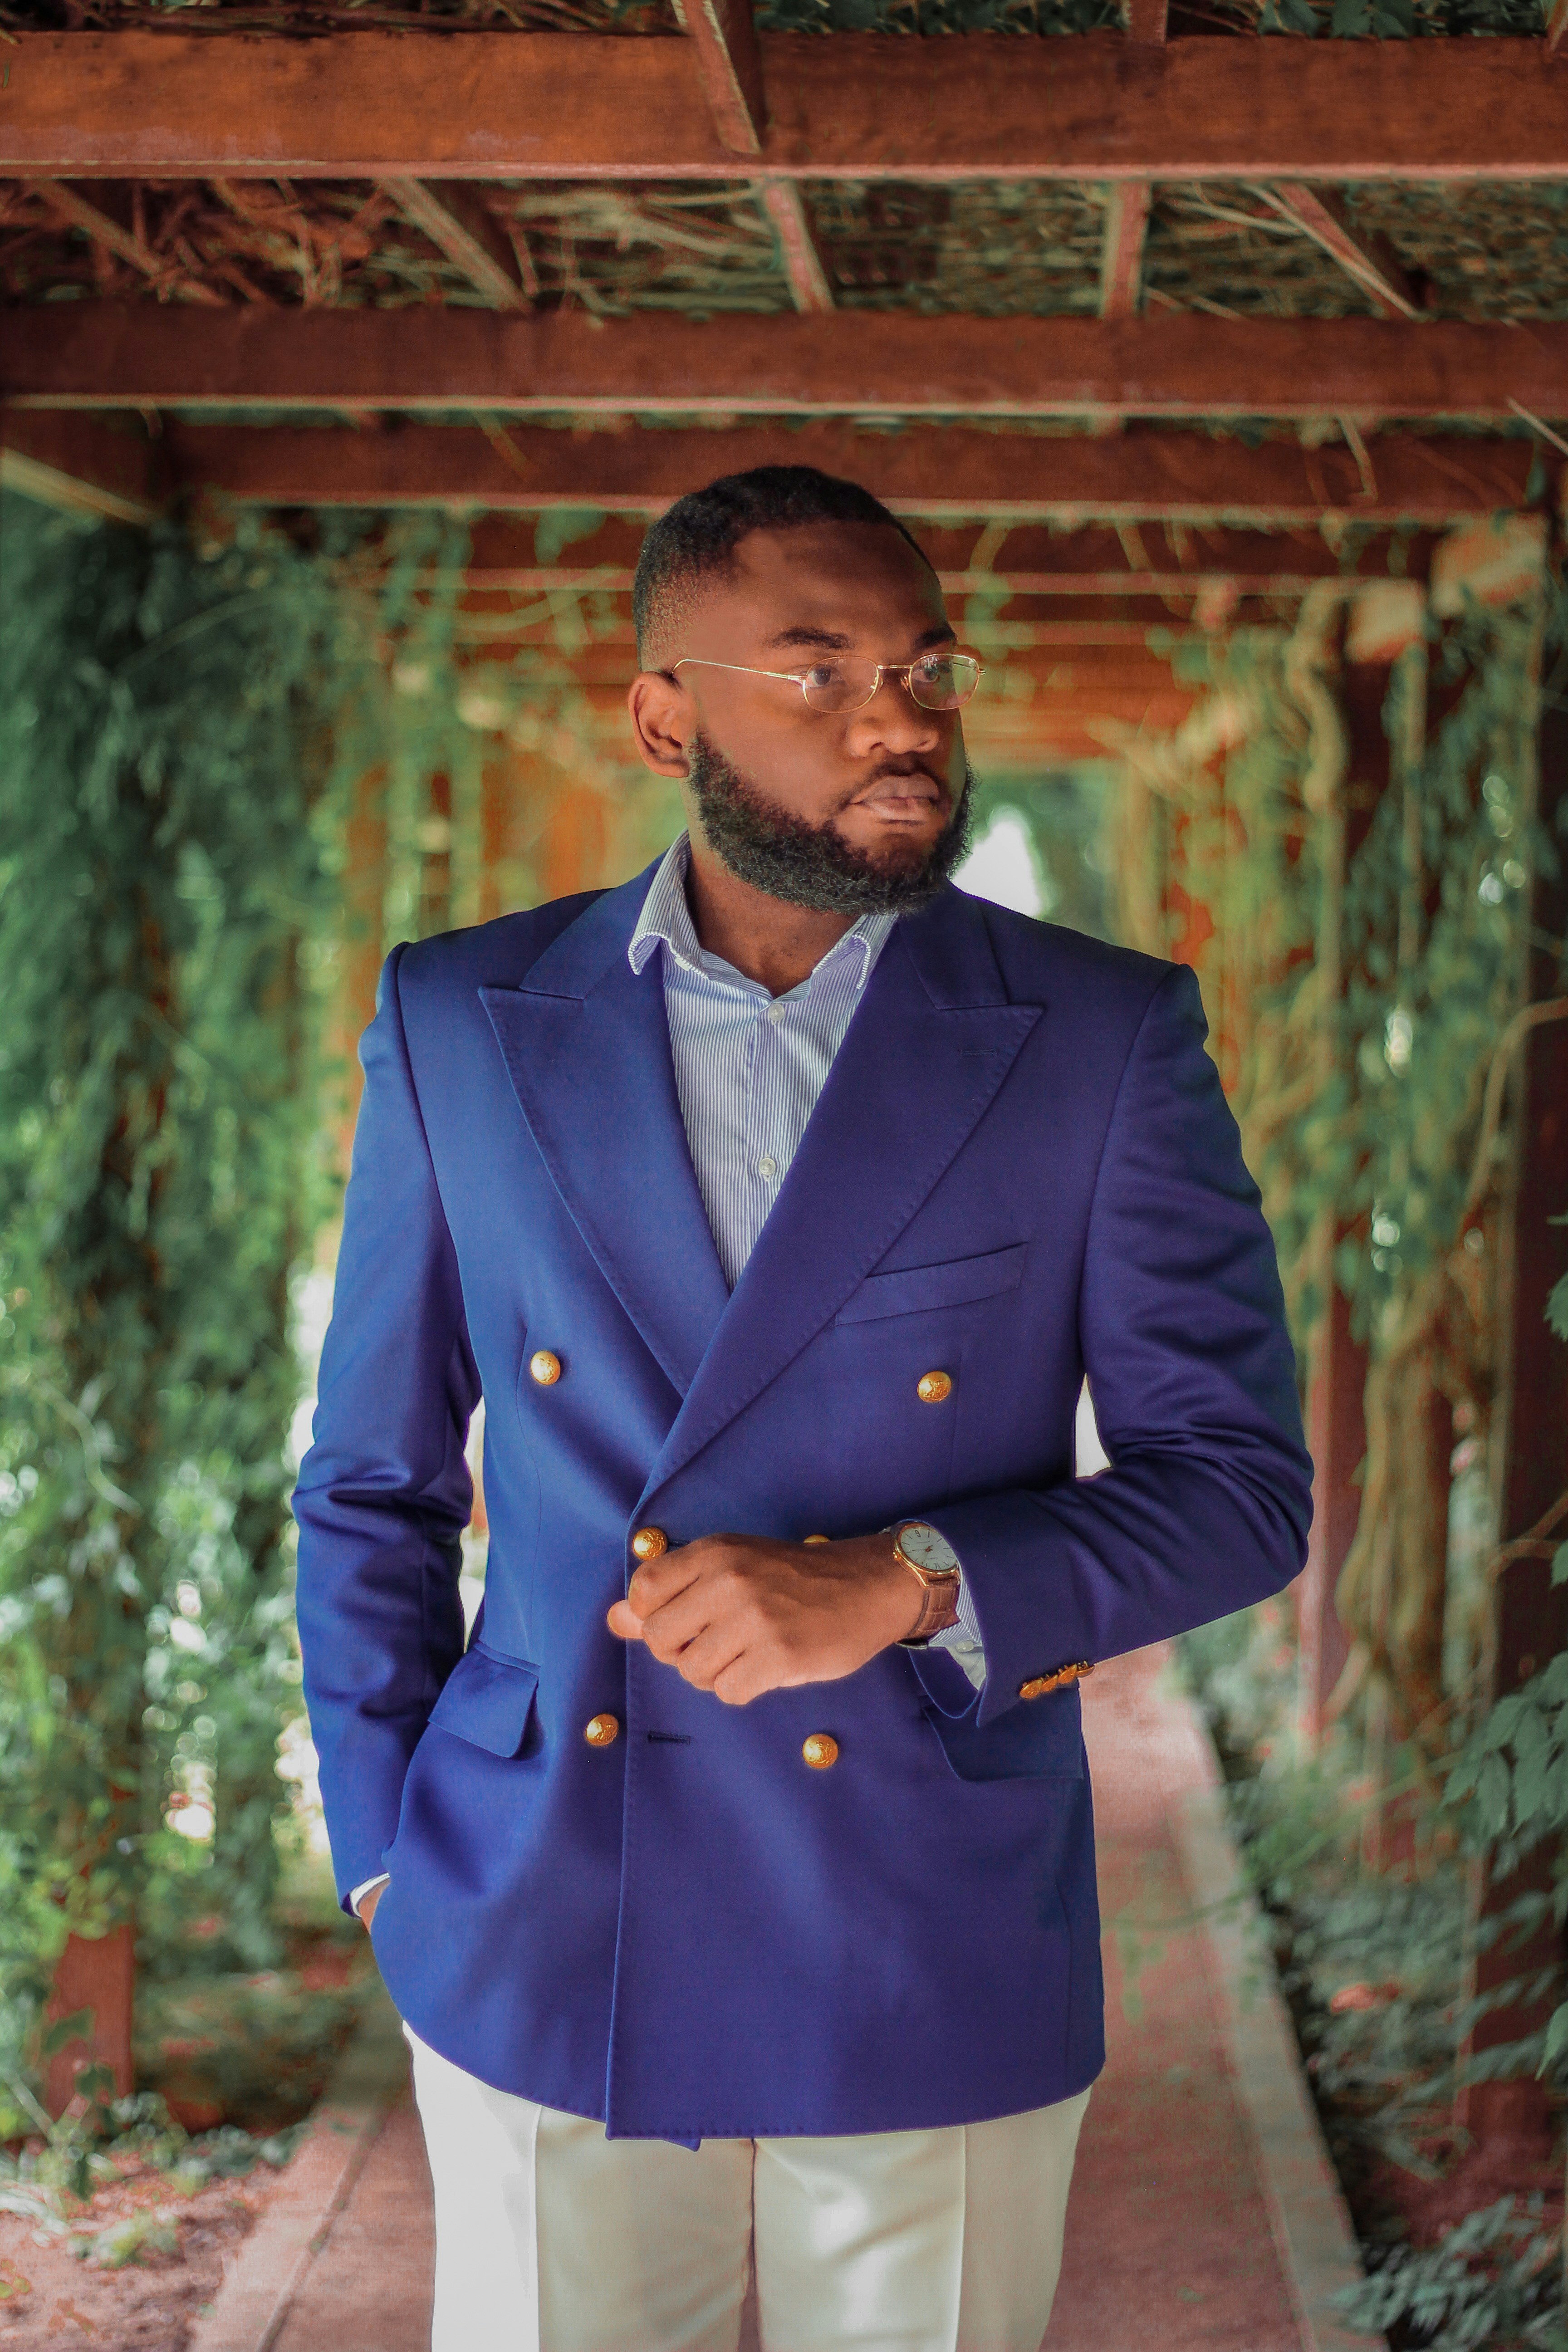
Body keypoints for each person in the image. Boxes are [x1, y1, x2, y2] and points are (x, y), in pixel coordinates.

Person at [293, 465, 1312, 2352]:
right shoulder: (459, 1016)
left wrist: (908, 1587)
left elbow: (1238, 1489)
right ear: (665, 715)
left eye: (927, 668)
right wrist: (382, 1843)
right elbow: (371, 1480)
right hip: (538, 1907)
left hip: (919, 1897)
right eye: (819, 670)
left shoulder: (1099, 1036)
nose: (898, 720)